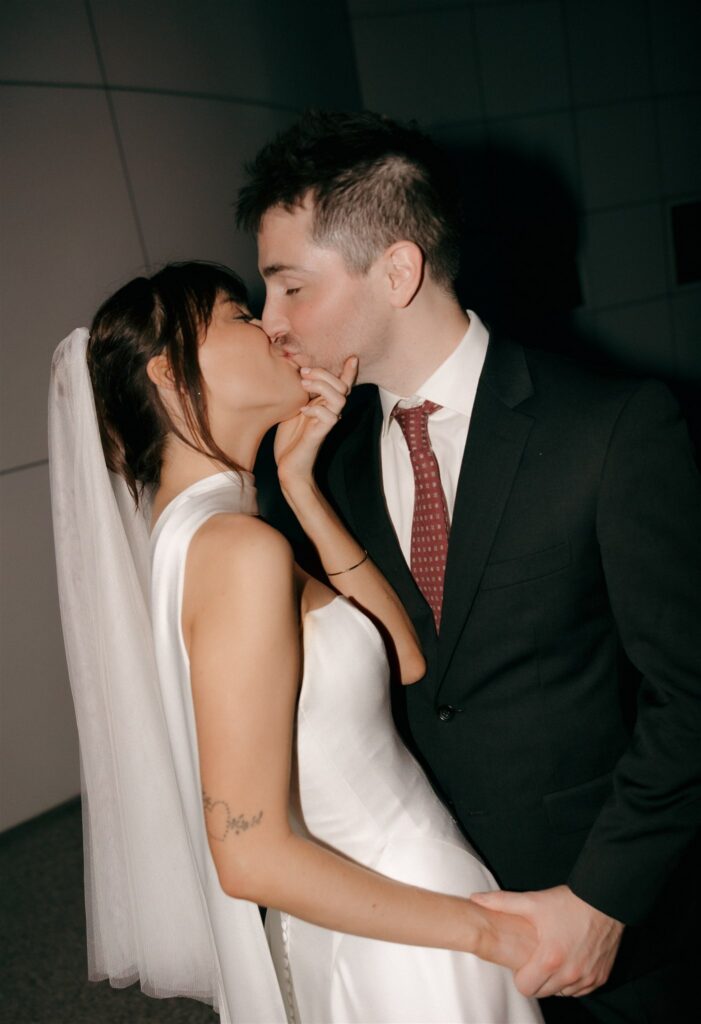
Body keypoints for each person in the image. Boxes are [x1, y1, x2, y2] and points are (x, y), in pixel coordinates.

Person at [236, 110, 701, 1023]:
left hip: (607, 925)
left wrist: (603, 898)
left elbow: (689, 692)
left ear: (398, 270)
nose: (269, 320)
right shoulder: (312, 461)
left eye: (290, 287)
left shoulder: (610, 431)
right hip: (423, 935)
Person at [49, 262, 543, 1024]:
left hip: (367, 919)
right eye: (238, 316)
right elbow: (248, 856)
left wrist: (301, 485)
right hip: (409, 933)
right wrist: (485, 931)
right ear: (170, 376)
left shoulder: (207, 536)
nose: (274, 327)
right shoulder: (235, 552)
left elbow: (405, 657)